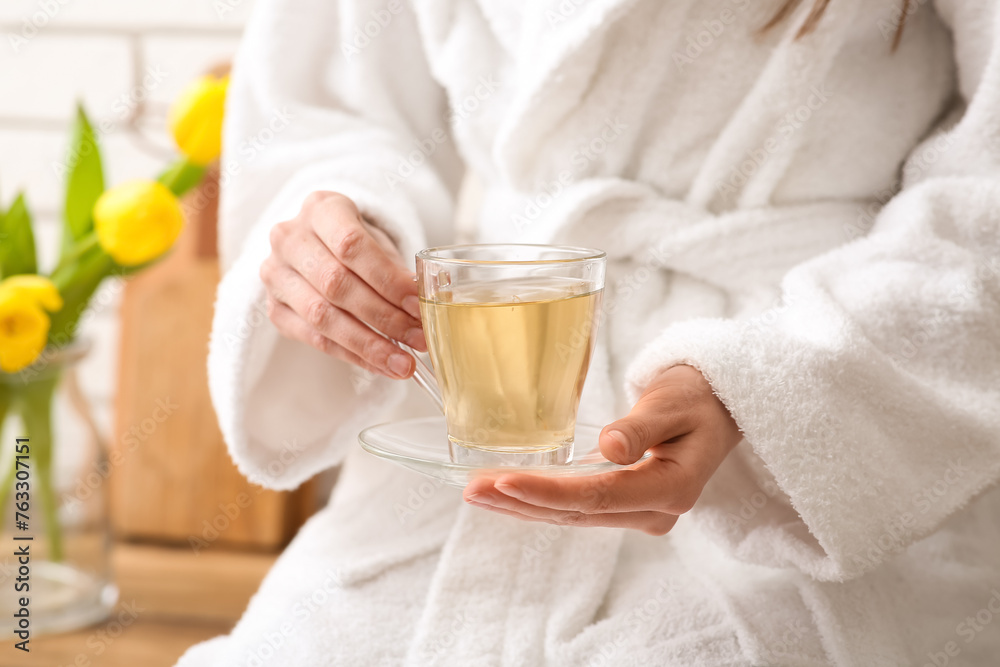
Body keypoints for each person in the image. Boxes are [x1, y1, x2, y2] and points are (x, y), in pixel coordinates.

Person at [178, 0, 1000, 664]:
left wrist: (765, 391)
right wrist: (342, 233)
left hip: (813, 443)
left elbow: (986, 196)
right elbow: (326, 105)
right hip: (475, 424)